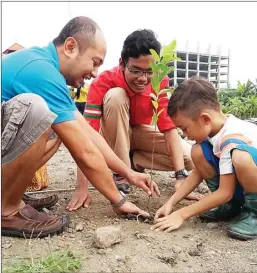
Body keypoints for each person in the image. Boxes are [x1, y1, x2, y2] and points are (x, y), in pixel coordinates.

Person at [1, 16, 160, 239]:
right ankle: (6, 210)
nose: (95, 72)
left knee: (55, 126)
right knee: (36, 110)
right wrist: (118, 199)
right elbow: (84, 151)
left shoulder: (48, 71)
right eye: (94, 62)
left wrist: (128, 173)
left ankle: (10, 193)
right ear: (70, 47)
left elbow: (88, 134)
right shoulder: (41, 71)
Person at [67, 29, 202, 211]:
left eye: (149, 72)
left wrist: (180, 176)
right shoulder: (104, 81)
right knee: (116, 97)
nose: (142, 79)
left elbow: (168, 128)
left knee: (191, 158)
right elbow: (85, 135)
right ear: (122, 63)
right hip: (111, 136)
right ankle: (121, 173)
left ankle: (134, 161)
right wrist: (81, 187)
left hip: (139, 133)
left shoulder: (159, 82)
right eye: (136, 70)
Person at [152, 77, 257, 240]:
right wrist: (171, 203)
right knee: (198, 151)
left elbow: (225, 192)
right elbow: (197, 173)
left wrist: (181, 215)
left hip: (244, 176)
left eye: (184, 128)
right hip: (242, 188)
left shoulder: (231, 139)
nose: (184, 135)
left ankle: (254, 214)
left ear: (205, 119)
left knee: (240, 157)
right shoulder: (214, 132)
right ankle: (231, 207)